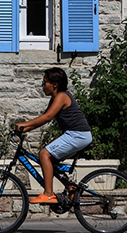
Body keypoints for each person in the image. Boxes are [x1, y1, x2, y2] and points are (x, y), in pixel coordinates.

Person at [14, 67, 92, 204]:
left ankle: (48, 194)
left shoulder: (62, 96)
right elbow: (42, 120)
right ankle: (71, 187)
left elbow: (47, 117)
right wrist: (25, 128)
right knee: (50, 163)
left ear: (54, 85)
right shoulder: (55, 98)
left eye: (44, 83)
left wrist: (24, 124)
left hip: (77, 134)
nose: (42, 86)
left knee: (44, 154)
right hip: (76, 134)